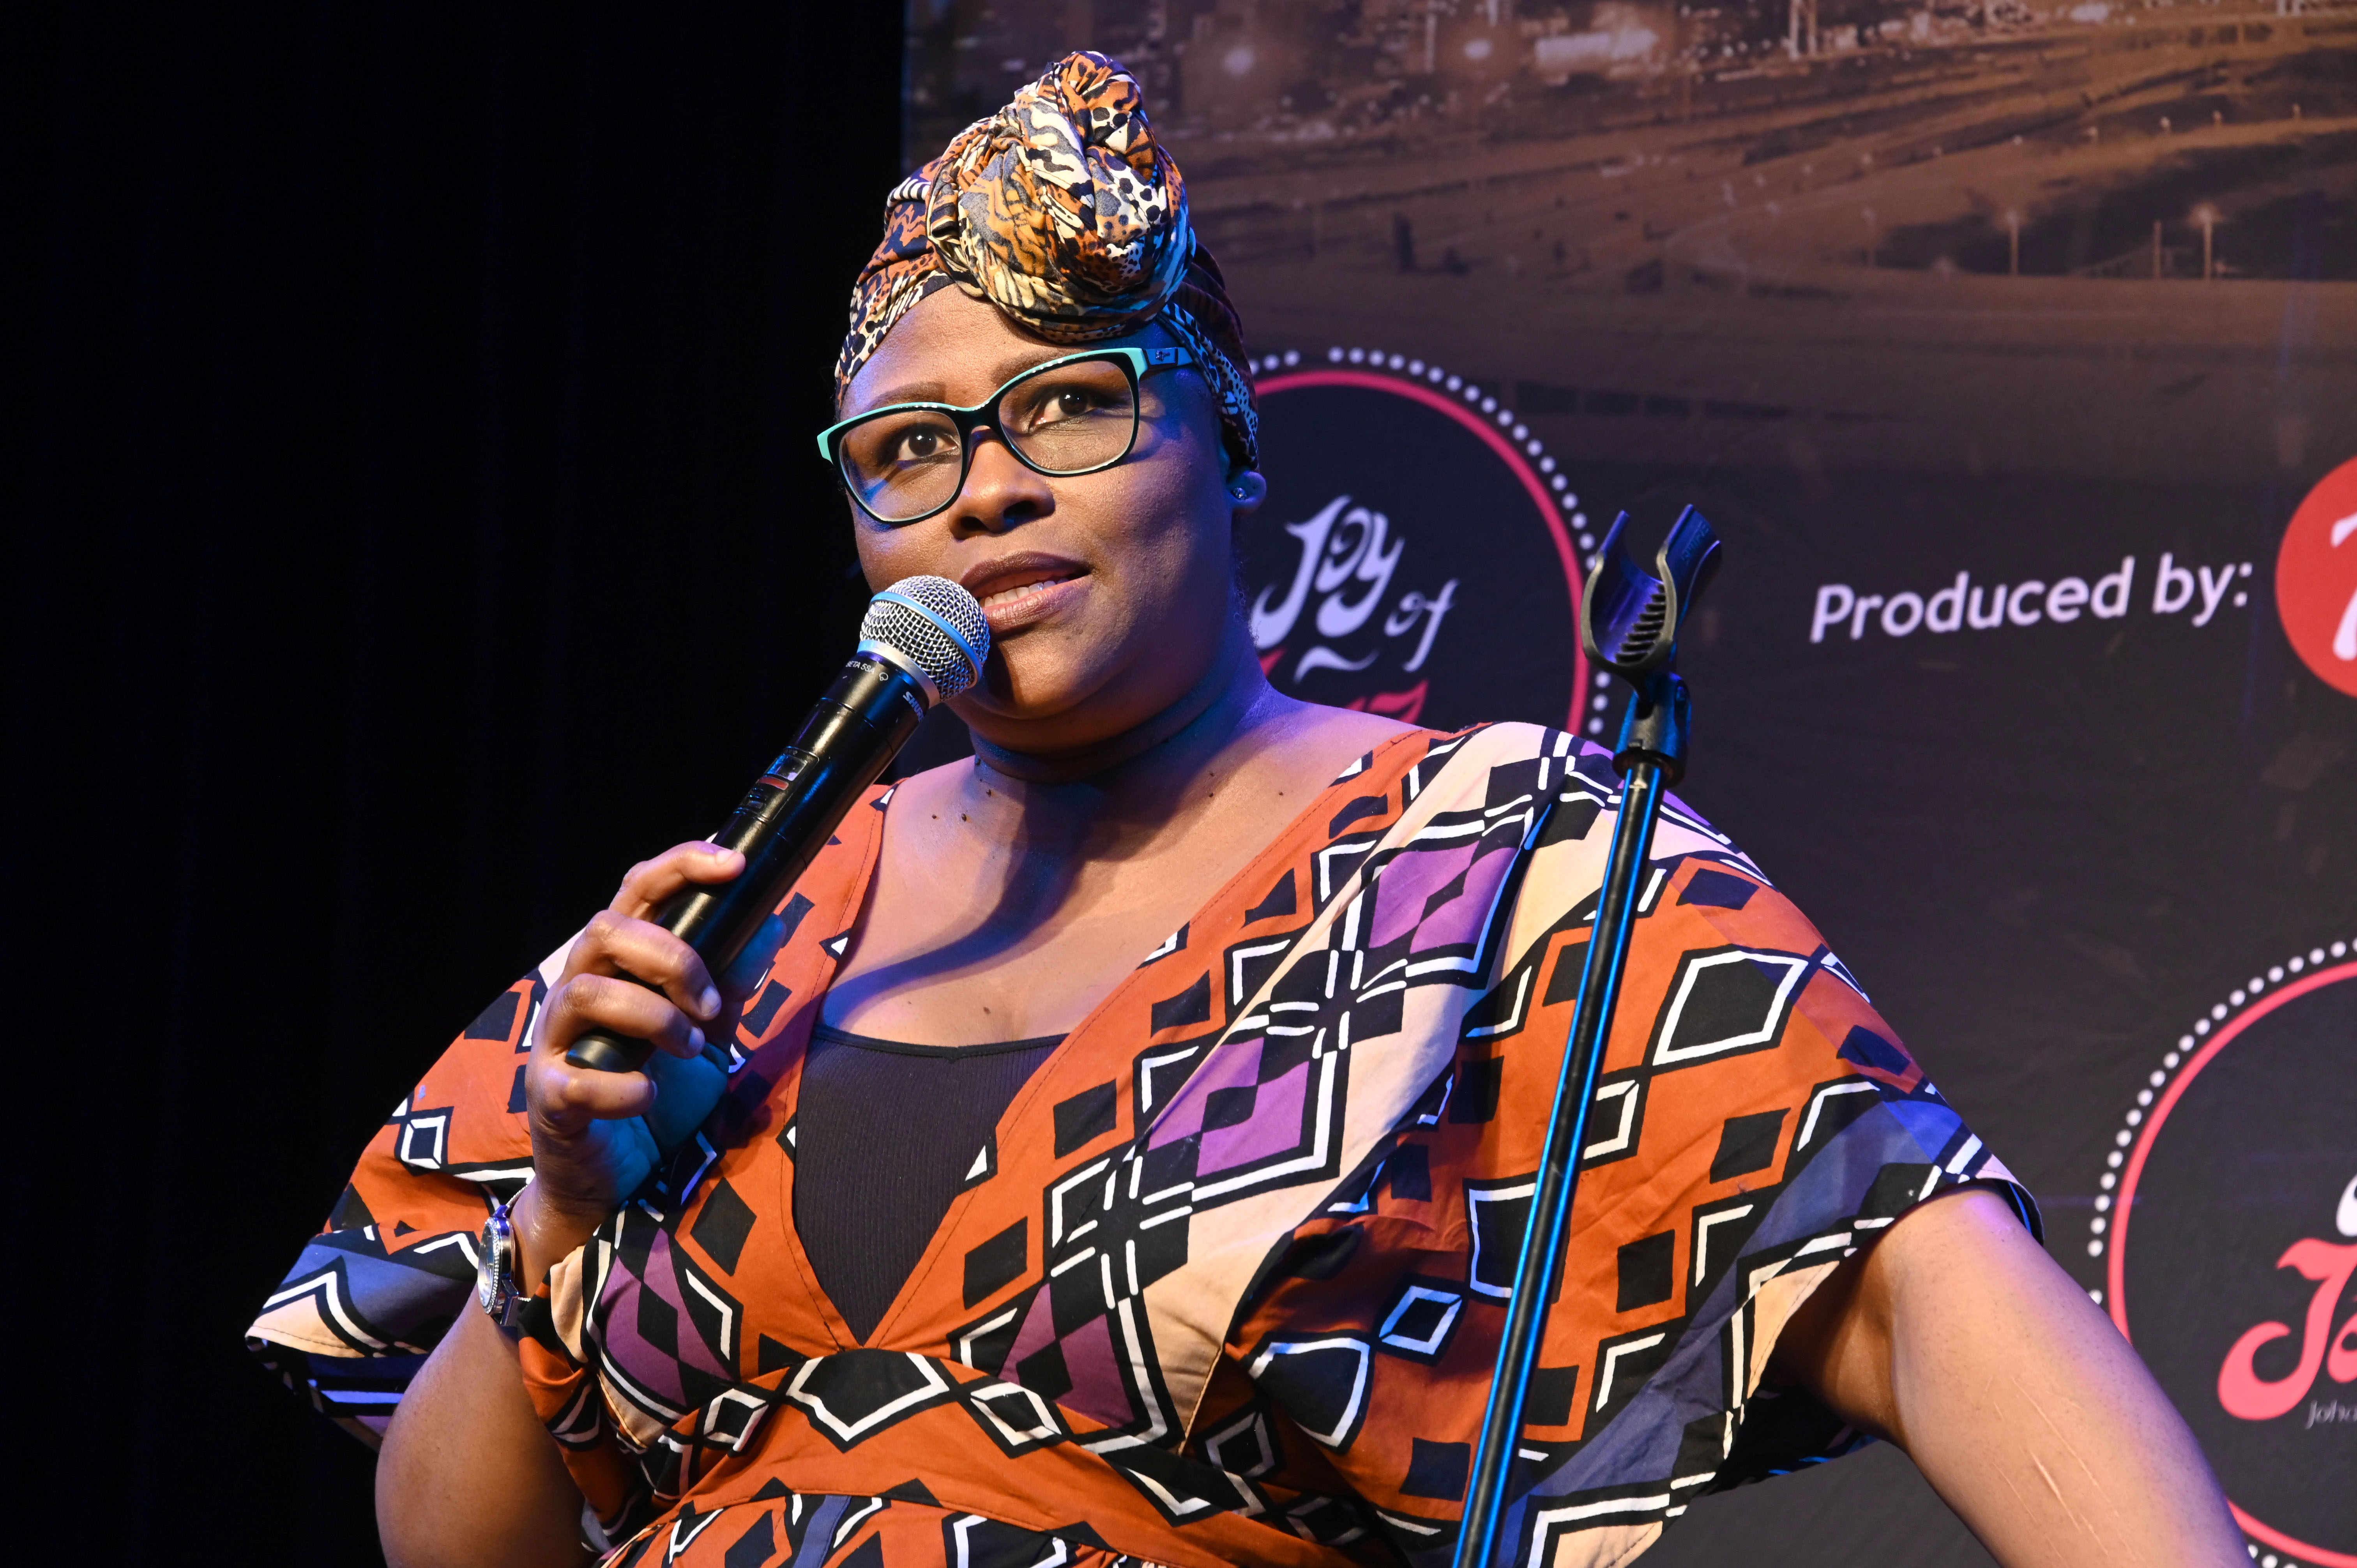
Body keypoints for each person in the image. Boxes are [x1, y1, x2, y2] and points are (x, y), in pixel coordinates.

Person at [250, 53, 2245, 1568]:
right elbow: (462, 1542)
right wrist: (567, 1210)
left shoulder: (1497, 866)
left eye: (1073, 407)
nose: (990, 490)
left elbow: (1908, 1285)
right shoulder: (730, 926)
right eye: (912, 449)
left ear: (1234, 441)